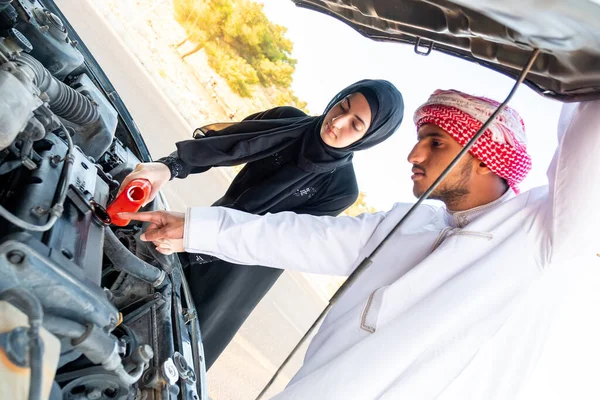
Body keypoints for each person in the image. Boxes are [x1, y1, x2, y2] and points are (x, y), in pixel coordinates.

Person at [121, 91, 600, 399]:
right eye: (418, 141)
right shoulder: (409, 223)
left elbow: (590, 135)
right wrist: (191, 226)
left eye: (435, 143)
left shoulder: (543, 238)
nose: (414, 155)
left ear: (485, 156)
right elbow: (298, 237)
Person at [118, 79, 404, 368]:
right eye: (343, 106)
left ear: (369, 138)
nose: (338, 121)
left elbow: (280, 237)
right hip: (197, 228)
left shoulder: (341, 189)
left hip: (239, 274)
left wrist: (197, 235)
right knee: (130, 299)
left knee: (173, 352)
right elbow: (227, 144)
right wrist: (170, 167)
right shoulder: (286, 121)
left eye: (355, 125)